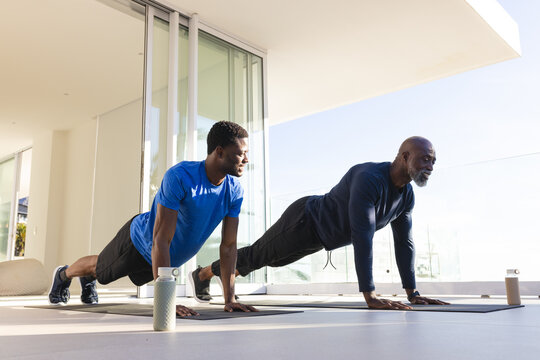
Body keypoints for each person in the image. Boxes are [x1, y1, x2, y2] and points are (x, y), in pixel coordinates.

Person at [190, 136, 449, 310]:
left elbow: (404, 243)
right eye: (425, 158)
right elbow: (363, 234)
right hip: (305, 220)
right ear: (404, 156)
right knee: (260, 255)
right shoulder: (369, 177)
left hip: (321, 238)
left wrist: (412, 292)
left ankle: (213, 273)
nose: (430, 166)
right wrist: (369, 295)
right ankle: (202, 274)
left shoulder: (406, 196)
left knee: (270, 259)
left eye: (433, 161)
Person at [48, 121, 257, 316]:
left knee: (104, 271)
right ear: (219, 152)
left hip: (161, 259)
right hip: (139, 242)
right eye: (241, 154)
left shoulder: (234, 190)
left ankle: (88, 277)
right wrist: (165, 300)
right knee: (101, 270)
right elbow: (161, 239)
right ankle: (64, 274)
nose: (246, 160)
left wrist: (229, 299)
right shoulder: (181, 177)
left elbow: (229, 246)